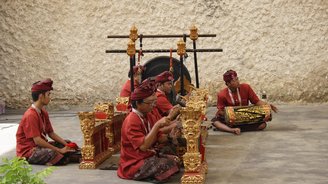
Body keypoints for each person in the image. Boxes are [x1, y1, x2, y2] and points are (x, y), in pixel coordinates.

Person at [118, 79, 180, 182]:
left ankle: (154, 173)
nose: (153, 105)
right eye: (150, 103)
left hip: (149, 154)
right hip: (134, 162)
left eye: (154, 102)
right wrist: (156, 126)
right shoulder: (131, 120)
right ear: (138, 103)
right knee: (167, 164)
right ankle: (143, 175)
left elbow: (159, 138)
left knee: (175, 158)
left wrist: (170, 136)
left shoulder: (148, 114)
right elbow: (143, 146)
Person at [16, 79, 80, 165]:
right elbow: (37, 141)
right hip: (30, 151)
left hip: (40, 147)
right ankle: (68, 156)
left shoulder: (43, 111)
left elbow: (51, 133)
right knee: (52, 153)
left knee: (66, 142)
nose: (50, 98)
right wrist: (59, 150)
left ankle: (67, 156)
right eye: (48, 95)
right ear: (41, 96)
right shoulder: (30, 115)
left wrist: (67, 145)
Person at [212, 70, 278, 135]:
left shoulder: (246, 87)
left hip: (245, 117)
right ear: (228, 84)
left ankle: (233, 128)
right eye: (234, 81)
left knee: (263, 125)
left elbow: (256, 101)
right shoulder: (222, 94)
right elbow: (221, 111)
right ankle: (232, 130)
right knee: (215, 121)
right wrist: (232, 115)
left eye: (237, 79)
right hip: (231, 120)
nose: (237, 82)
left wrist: (268, 105)